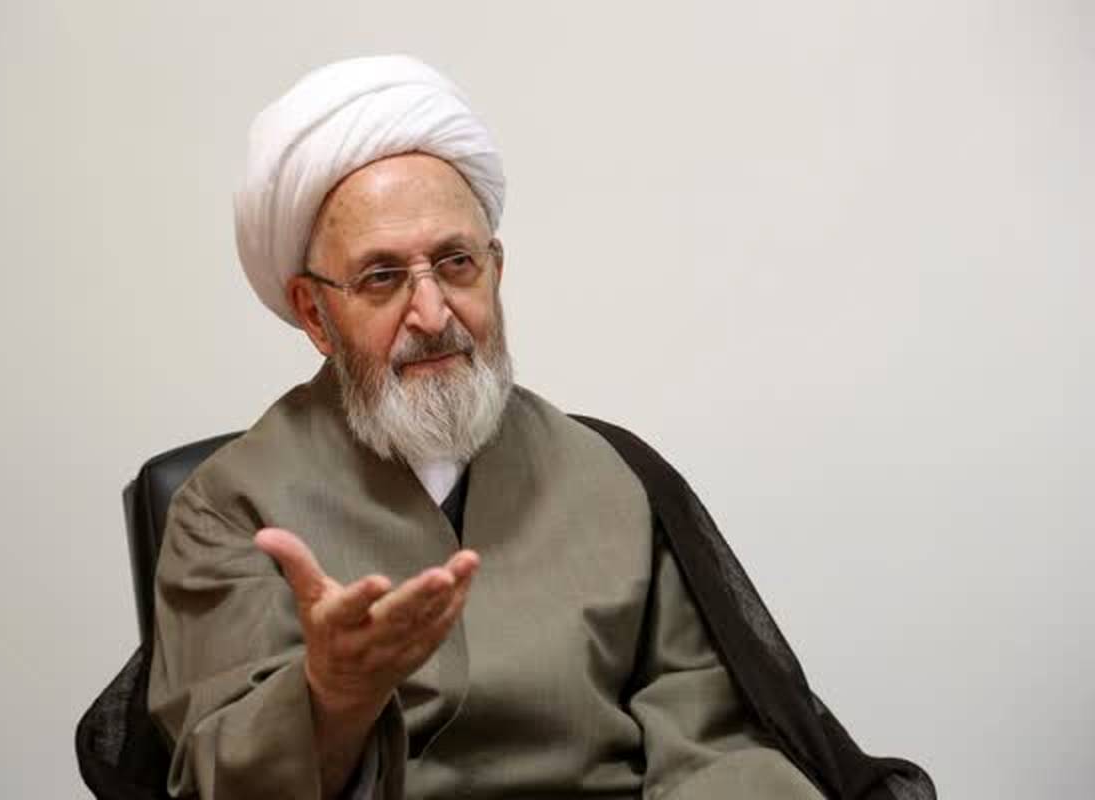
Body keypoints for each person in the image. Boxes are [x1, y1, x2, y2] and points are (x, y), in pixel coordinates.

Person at [141, 56, 934, 800]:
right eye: (382, 277)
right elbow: (220, 779)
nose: (432, 313)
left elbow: (714, 745)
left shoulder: (610, 474)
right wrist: (332, 696)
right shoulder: (229, 506)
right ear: (315, 313)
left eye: (456, 263)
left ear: (495, 269)